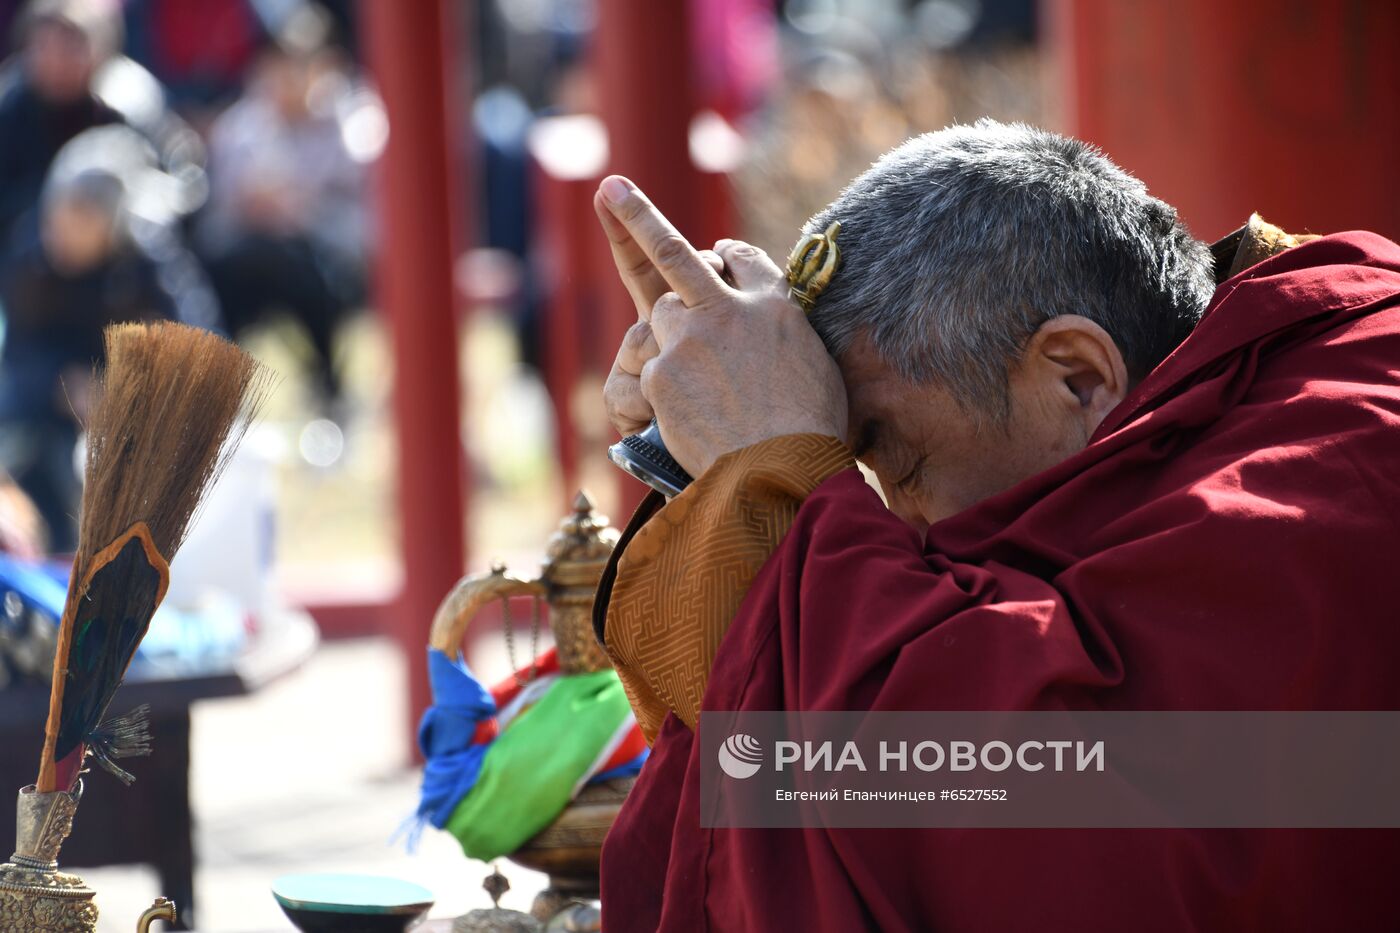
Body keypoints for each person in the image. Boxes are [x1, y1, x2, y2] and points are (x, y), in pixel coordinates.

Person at [590, 121, 1400, 930]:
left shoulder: (1323, 478)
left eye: (897, 465)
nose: (894, 524)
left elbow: (1045, 835)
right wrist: (711, 464)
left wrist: (770, 470)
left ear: (1077, 376)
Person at [0, 125, 214, 550]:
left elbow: (202, 342)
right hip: (46, 408)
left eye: (82, 216)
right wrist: (66, 387)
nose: (62, 232)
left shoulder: (147, 261)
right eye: (57, 215)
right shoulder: (31, 259)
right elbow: (17, 354)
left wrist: (128, 388)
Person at [195, 21, 375, 410]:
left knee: (291, 264)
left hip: (329, 267)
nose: (285, 78)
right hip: (249, 263)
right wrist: (253, 210)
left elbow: (370, 225)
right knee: (235, 265)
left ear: (323, 67)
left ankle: (329, 384)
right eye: (275, 66)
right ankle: (221, 392)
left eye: (297, 65)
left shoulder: (358, 127)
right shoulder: (240, 129)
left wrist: (301, 213)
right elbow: (214, 225)